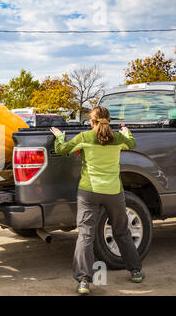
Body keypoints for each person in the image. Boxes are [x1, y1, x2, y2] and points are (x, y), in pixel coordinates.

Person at [50, 106, 144, 295]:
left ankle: (84, 281)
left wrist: (60, 136)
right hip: (114, 192)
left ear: (91, 122)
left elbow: (61, 150)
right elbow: (132, 144)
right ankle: (135, 271)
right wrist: (127, 131)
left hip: (89, 192)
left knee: (86, 234)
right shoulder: (118, 139)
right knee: (122, 232)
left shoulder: (85, 137)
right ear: (109, 121)